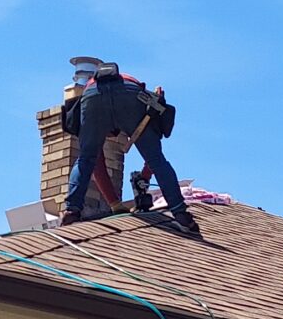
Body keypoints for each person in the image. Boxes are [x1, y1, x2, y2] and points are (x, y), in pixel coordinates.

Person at [61, 62, 199, 236]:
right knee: (157, 159)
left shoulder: (90, 115)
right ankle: (181, 215)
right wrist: (118, 204)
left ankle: (71, 213)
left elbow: (94, 164)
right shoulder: (140, 114)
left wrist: (118, 203)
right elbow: (154, 159)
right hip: (129, 93)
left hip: (93, 96)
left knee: (85, 158)